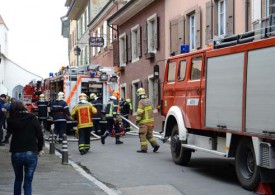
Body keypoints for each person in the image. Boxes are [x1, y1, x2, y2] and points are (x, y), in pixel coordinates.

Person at [7, 101, 44, 195]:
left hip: (16, 152)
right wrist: (40, 148)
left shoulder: (11, 120)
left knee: (18, 179)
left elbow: (8, 132)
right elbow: (39, 134)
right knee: (28, 182)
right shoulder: (32, 118)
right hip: (31, 152)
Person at [136, 88, 160, 153]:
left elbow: (140, 112)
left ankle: (144, 149)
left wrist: (137, 120)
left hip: (144, 122)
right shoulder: (148, 101)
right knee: (149, 135)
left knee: (142, 134)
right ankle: (155, 145)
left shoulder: (141, 101)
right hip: (151, 122)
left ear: (139, 95)